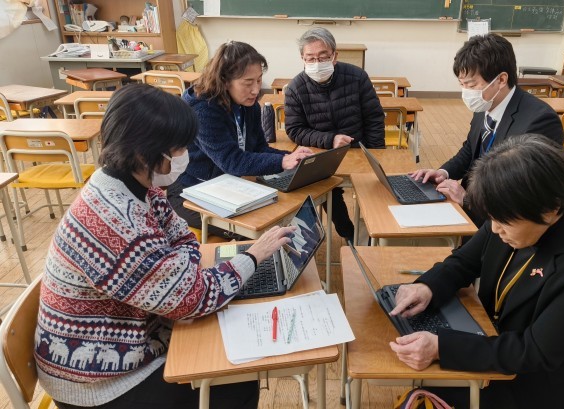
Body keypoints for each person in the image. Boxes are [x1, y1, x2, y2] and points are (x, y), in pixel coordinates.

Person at [34, 84, 297, 409]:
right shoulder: (117, 222)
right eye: (178, 148)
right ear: (144, 153)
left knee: (221, 341)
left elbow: (184, 240)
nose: (183, 155)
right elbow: (193, 298)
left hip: (123, 343)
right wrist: (252, 256)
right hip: (98, 382)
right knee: (236, 382)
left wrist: (179, 275)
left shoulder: (132, 184)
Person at [390, 135, 564, 409]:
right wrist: (427, 286)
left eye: (503, 223)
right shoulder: (515, 208)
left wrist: (440, 348)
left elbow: (534, 351)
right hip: (493, 346)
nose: (494, 229)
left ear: (550, 210)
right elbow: (465, 261)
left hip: (535, 387)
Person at [411, 34, 564, 227]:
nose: (467, 92)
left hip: (501, 222)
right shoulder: (485, 103)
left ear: (501, 80)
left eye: (472, 85)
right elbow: (470, 150)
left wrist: (468, 200)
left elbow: (522, 194)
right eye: (462, 85)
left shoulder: (540, 121)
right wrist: (443, 172)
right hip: (470, 205)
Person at [167, 41, 312, 232]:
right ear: (225, 80)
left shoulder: (248, 104)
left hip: (229, 185)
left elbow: (259, 148)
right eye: (248, 83)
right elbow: (231, 161)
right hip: (192, 191)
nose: (256, 90)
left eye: (259, 80)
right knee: (263, 228)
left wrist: (292, 158)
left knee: (286, 209)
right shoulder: (202, 109)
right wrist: (283, 161)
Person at [284, 27, 385, 243]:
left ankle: (376, 230)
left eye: (323, 57)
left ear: (334, 56)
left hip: (358, 149)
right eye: (310, 58)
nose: (317, 63)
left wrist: (376, 153)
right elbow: (294, 129)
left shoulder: (357, 77)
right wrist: (330, 139)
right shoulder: (295, 88)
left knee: (374, 187)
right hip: (323, 153)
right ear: (302, 59)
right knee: (326, 186)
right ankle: (348, 233)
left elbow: (374, 117)